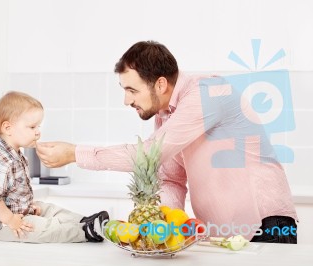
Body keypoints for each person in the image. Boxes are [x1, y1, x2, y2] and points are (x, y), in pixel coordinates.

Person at [35, 41, 298, 244]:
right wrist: (162, 231)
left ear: (160, 84)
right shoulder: (166, 116)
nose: (127, 101)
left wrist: (74, 153)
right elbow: (171, 179)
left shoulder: (208, 93)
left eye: (132, 90)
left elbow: (148, 154)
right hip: (222, 235)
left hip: (268, 225)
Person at [0, 91, 109, 243]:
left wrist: (26, 206)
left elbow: (12, 193)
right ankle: (83, 231)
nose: (38, 132)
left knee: (49, 208)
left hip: (15, 213)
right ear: (8, 128)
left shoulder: (16, 156)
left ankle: (84, 221)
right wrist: (11, 220)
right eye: (32, 127)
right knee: (41, 229)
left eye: (38, 126)